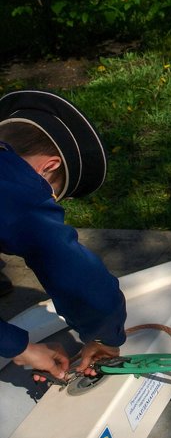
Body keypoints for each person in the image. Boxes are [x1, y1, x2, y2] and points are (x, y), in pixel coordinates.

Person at [0, 90, 126, 382]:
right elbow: (74, 274)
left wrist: (21, 347)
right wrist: (104, 335)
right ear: (50, 167)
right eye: (52, 196)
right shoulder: (14, 185)